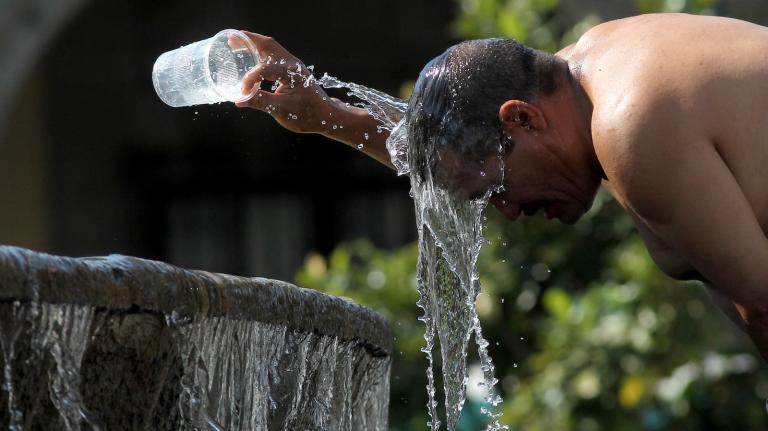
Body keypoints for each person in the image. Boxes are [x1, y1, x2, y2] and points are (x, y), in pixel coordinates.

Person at [234, 13, 768, 359]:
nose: (508, 211)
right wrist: (326, 113)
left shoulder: (630, 127)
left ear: (524, 121)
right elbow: (460, 150)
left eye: (495, 190)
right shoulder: (592, 70)